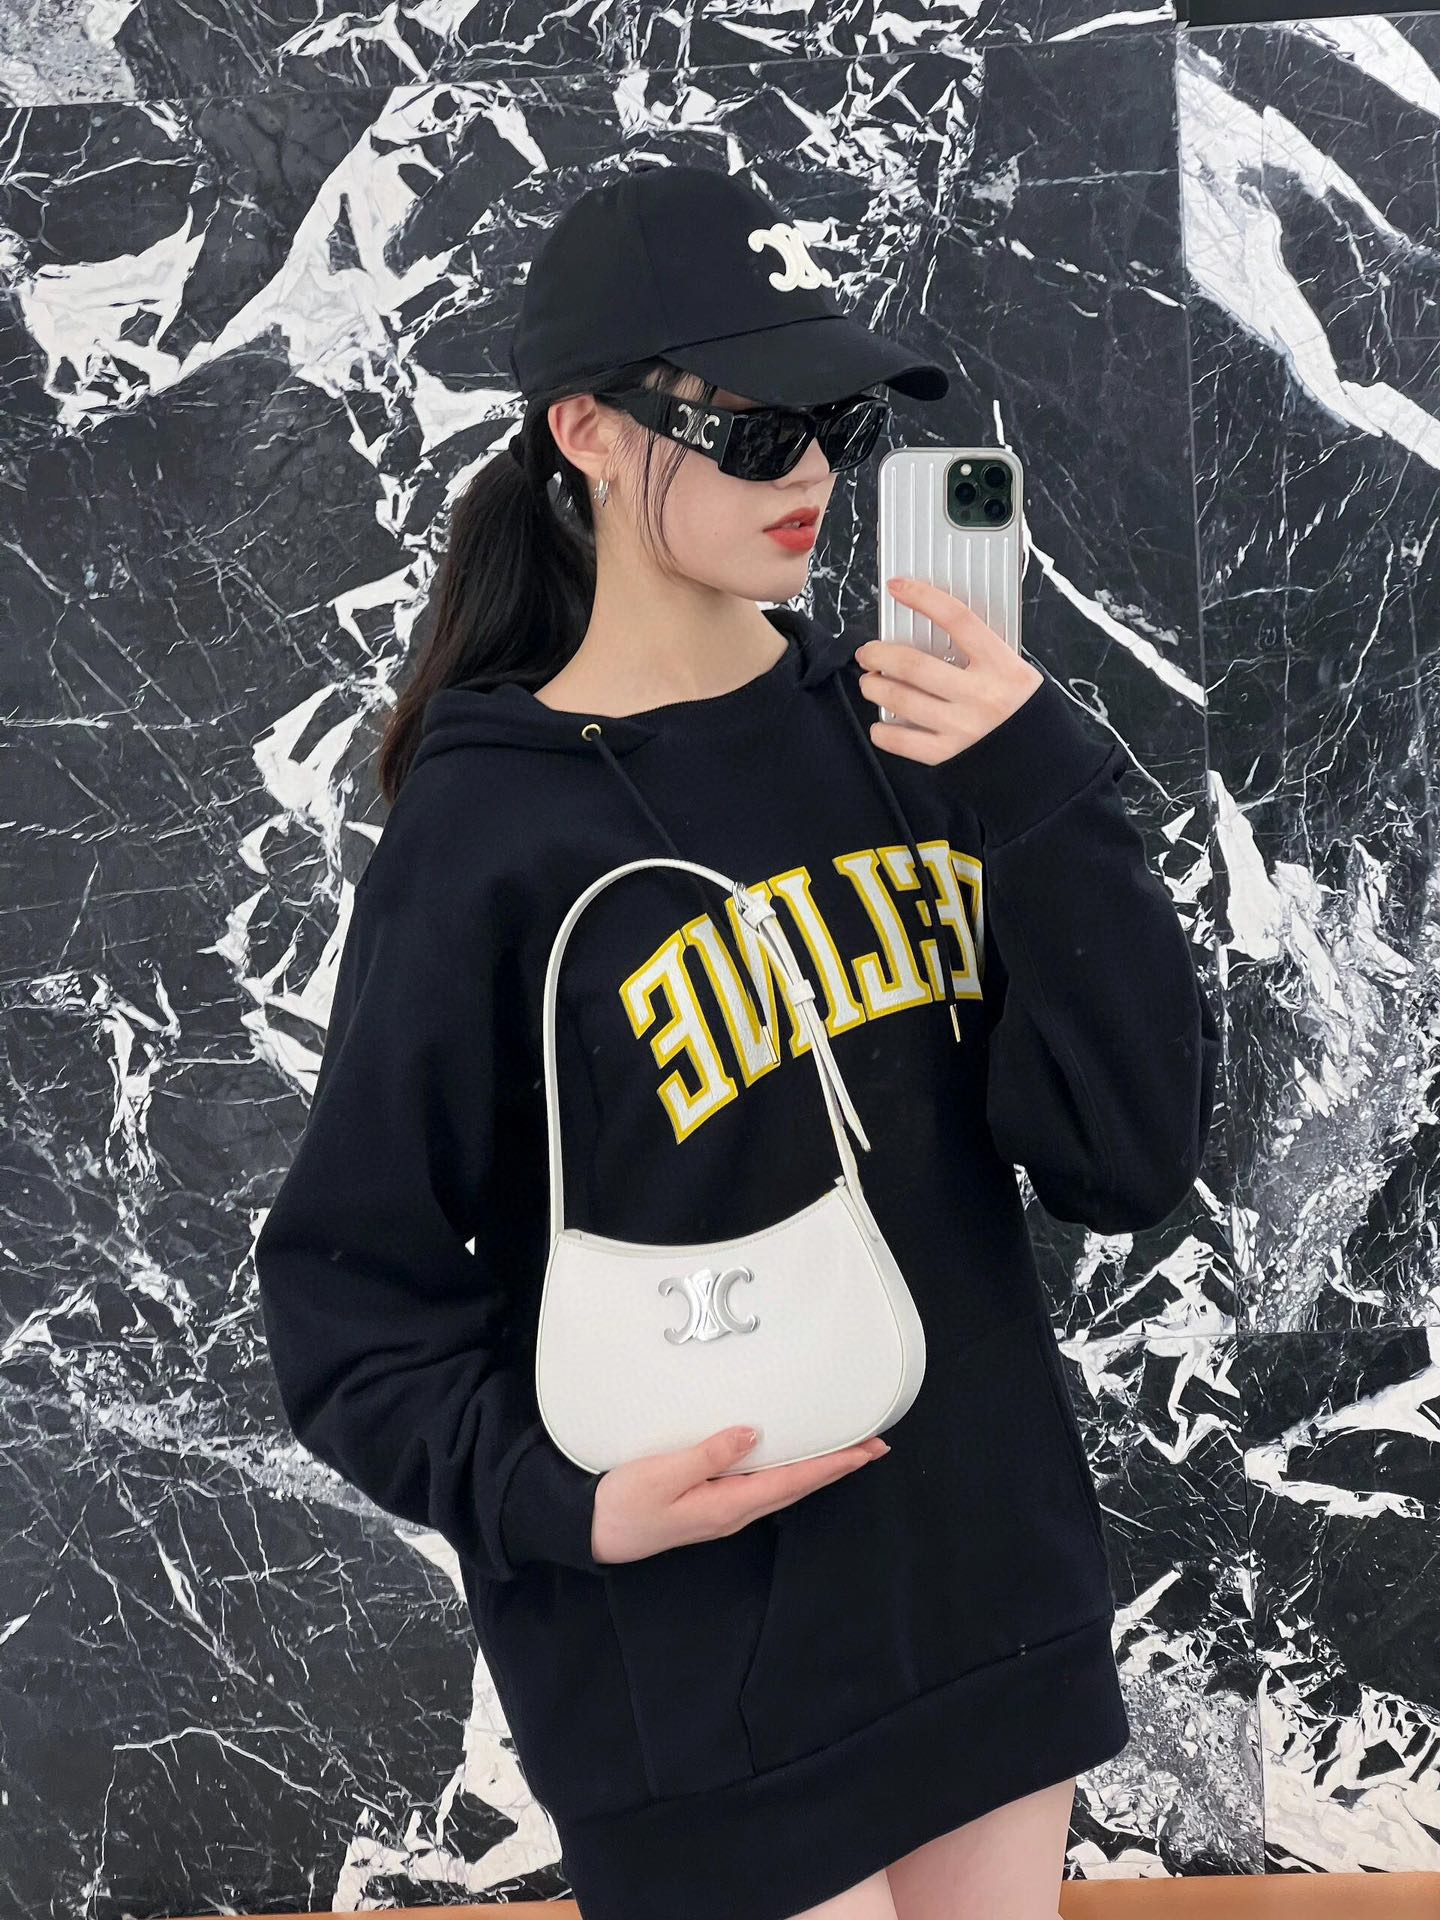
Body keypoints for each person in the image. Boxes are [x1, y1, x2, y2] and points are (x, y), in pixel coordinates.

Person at [253, 165, 1220, 1920]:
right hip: (702, 1670)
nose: (815, 479)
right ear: (587, 431)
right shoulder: (488, 837)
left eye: (835, 425)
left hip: (982, 1595)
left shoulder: (913, 739)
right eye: (759, 431)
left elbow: (1124, 1158)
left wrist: (1043, 788)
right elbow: (348, 1298)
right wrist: (564, 1504)